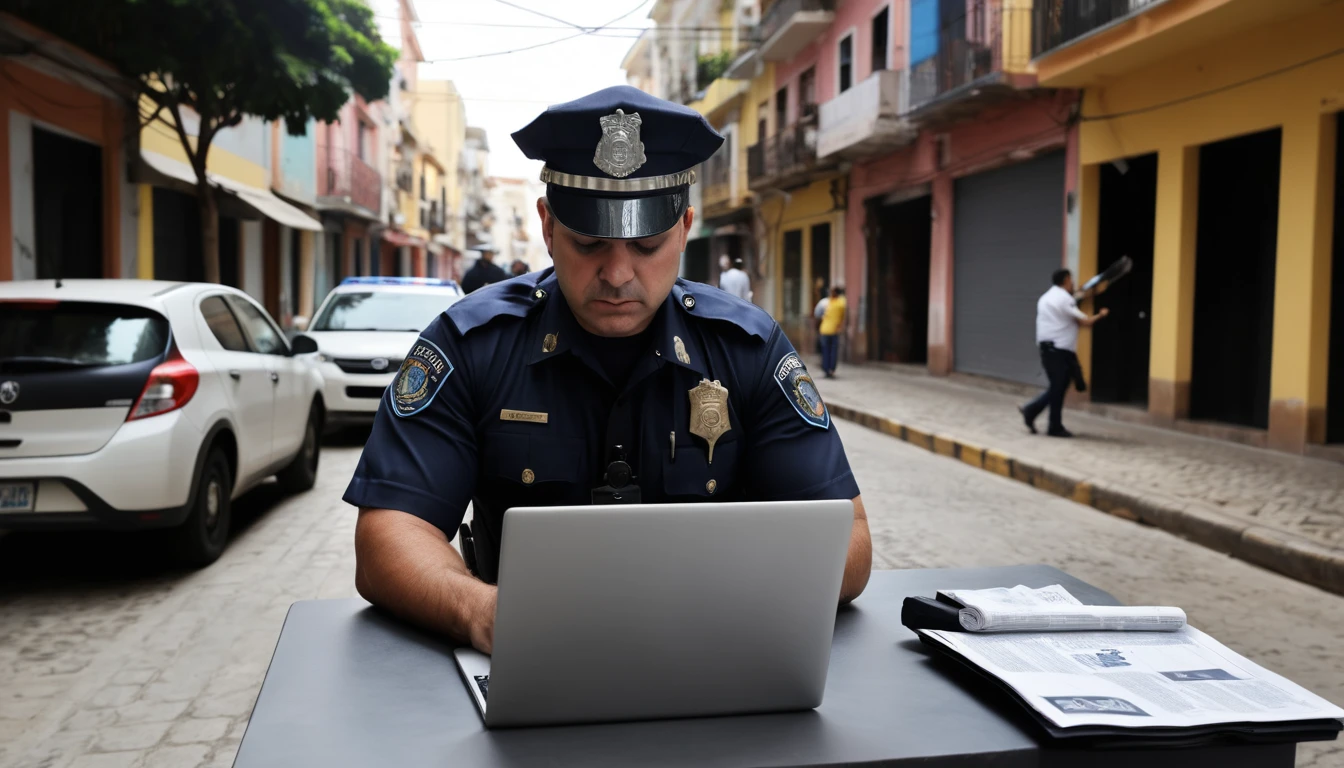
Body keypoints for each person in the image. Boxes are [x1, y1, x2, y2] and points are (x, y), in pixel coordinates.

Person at [345, 85, 871, 655]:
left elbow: (849, 542)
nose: (618, 273)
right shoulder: (470, 345)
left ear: (685, 226)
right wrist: (481, 610)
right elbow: (387, 538)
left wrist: (718, 606)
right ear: (547, 226)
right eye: (589, 241)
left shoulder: (748, 348)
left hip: (713, 654)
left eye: (646, 245)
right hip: (530, 655)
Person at [1019, 268, 1108, 437]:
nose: (1073, 282)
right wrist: (1101, 315)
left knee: (1058, 386)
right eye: (1071, 279)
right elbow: (1086, 322)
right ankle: (1051, 424)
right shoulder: (1064, 299)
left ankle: (1033, 412)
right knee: (1058, 387)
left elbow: (1070, 310)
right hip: (1058, 351)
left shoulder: (1047, 297)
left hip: (1050, 349)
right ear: (1066, 280)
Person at [818, 286, 846, 378]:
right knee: (830, 351)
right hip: (827, 330)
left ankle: (828, 369)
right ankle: (829, 369)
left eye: (832, 292)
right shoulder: (839, 302)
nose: (831, 294)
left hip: (830, 330)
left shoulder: (830, 302)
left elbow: (818, 312)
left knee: (829, 351)